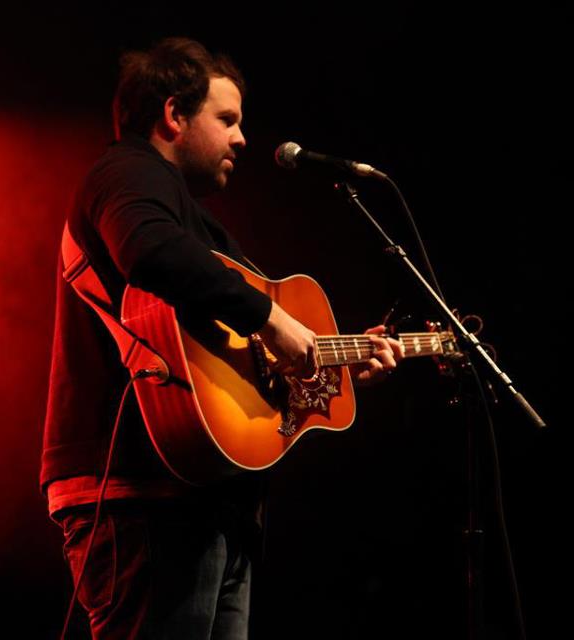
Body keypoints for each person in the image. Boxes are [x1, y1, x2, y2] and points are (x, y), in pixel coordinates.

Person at [40, 37, 404, 639]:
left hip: (200, 496)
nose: (242, 138)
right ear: (174, 115)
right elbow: (150, 251)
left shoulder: (192, 219)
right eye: (227, 119)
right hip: (141, 492)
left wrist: (334, 365)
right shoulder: (128, 172)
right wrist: (273, 320)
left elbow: (246, 360)